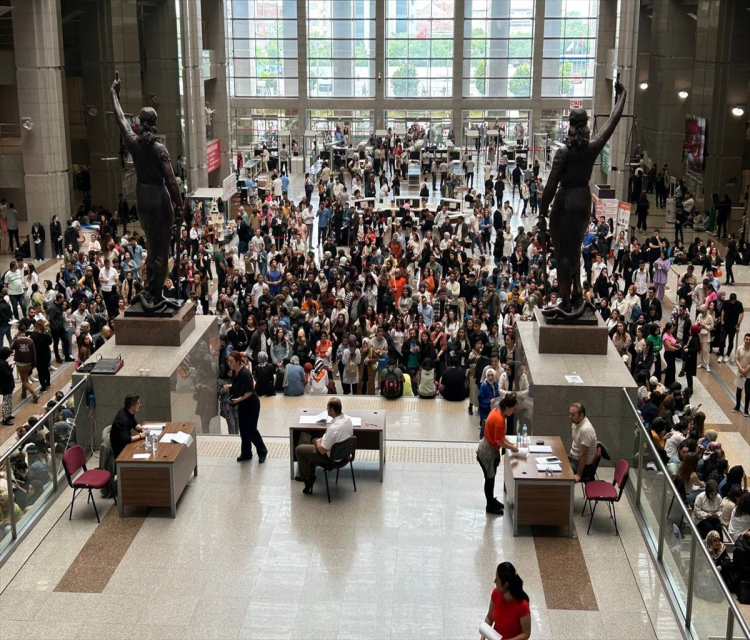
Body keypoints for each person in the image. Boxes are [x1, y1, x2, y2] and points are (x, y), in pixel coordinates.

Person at [294, 397, 353, 495]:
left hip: (330, 458)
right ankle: (309, 471)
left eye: (327, 409)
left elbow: (322, 450)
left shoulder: (334, 428)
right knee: (312, 441)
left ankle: (307, 478)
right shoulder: (348, 419)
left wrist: (318, 441)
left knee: (299, 449)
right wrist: (319, 440)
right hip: (343, 453)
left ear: (332, 410)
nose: (327, 410)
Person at [476, 395, 519, 515]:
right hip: (487, 452)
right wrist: (512, 448)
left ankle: (491, 500)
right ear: (506, 407)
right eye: (511, 409)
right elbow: (499, 441)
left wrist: (511, 443)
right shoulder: (499, 420)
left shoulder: (496, 411)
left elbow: (500, 436)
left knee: (492, 477)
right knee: (489, 479)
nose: (512, 412)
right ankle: (489, 505)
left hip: (488, 448)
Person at [225, 351, 267, 463]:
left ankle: (262, 451)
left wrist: (239, 399)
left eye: (231, 361)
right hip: (243, 404)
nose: (229, 363)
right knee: (243, 429)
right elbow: (237, 385)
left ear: (238, 362)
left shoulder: (245, 373)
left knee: (251, 429)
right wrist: (229, 386)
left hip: (251, 404)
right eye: (228, 361)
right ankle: (246, 453)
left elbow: (249, 391)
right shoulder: (235, 372)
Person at [483, 561, 531, 640]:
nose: (494, 581)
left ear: (505, 585)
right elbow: (489, 617)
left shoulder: (522, 605)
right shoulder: (495, 593)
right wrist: (483, 637)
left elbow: (526, 633)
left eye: (497, 579)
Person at [109, 395, 148, 459]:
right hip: (121, 450)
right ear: (132, 407)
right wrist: (141, 435)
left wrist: (142, 429)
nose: (140, 405)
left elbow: (134, 424)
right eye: (138, 403)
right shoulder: (122, 420)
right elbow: (126, 439)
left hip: (126, 444)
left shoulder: (127, 412)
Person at [567, 402, 597, 482]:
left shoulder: (585, 429)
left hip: (582, 466)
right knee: (555, 463)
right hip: (573, 457)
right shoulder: (576, 423)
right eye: (570, 414)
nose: (570, 417)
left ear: (581, 415)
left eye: (573, 415)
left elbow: (583, 454)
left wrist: (578, 475)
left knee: (560, 472)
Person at [11, 323, 37, 403]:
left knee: (24, 381)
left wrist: (15, 337)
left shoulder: (17, 340)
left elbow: (11, 347)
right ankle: (23, 394)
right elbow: (34, 353)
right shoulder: (30, 340)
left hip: (20, 364)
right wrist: (34, 364)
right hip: (28, 363)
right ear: (25, 330)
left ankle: (34, 393)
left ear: (18, 330)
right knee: (25, 378)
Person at [734, 333, 750, 416]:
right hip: (740, 373)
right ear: (744, 339)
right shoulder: (739, 348)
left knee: (748, 392)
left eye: (749, 340)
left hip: (748, 375)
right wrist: (740, 369)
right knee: (738, 391)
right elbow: (736, 359)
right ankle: (737, 406)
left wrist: (745, 371)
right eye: (746, 339)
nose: (747, 341)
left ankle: (746, 410)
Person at [0, 347, 14, 426]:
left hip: (4, 384)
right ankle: (5, 418)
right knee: (7, 401)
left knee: (8, 400)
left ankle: (8, 414)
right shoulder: (2, 364)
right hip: (6, 385)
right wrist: (11, 368)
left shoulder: (2, 362)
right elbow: (7, 375)